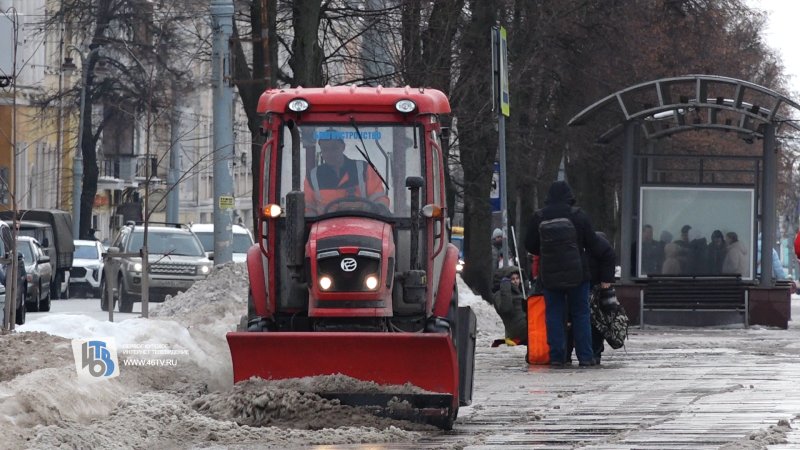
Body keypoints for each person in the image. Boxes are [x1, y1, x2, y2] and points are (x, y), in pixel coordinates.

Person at [524, 180, 611, 368]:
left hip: (550, 275)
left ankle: (557, 357)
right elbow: (592, 243)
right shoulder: (578, 216)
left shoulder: (539, 217)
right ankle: (586, 357)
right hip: (578, 274)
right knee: (581, 314)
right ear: (569, 195)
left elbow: (529, 245)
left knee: (554, 314)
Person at [303, 135, 389, 215]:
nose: (330, 153)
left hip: (362, 224)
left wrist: (379, 208)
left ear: (343, 147)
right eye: (325, 149)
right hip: (325, 227)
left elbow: (378, 197)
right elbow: (308, 207)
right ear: (321, 151)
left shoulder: (364, 169)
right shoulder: (312, 176)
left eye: (334, 148)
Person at [566, 231, 616, 364]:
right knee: (594, 322)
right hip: (594, 288)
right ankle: (593, 353)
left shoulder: (577, 246)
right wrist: (606, 281)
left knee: (572, 320)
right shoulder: (601, 248)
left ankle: (567, 354)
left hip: (578, 286)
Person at [490, 266, 528, 345]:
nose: (515, 281)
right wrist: (505, 286)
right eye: (512, 279)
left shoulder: (521, 292)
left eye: (517, 278)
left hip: (525, 324)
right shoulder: (499, 294)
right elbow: (506, 309)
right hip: (518, 329)